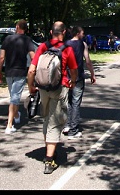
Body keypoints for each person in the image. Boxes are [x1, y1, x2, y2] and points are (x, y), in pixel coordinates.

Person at [27, 21, 79, 174]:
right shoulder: (67, 49)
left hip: (42, 88)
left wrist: (31, 86)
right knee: (55, 122)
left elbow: (31, 70)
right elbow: (74, 70)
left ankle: (50, 148)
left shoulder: (43, 47)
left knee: (47, 119)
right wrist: (73, 82)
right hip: (59, 87)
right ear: (64, 32)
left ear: (51, 32)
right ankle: (49, 160)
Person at [0, 19, 37, 134]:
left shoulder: (8, 39)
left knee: (14, 98)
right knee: (14, 97)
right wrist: (33, 70)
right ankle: (17, 114)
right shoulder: (28, 40)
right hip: (20, 71)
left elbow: (1, 57)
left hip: (9, 71)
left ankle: (9, 125)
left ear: (18, 26)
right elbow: (33, 57)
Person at [63, 26, 96, 139]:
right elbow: (88, 61)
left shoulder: (66, 44)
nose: (83, 34)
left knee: (69, 102)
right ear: (77, 33)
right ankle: (73, 130)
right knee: (76, 102)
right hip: (78, 76)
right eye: (82, 33)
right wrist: (92, 74)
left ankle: (67, 125)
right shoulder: (82, 45)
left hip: (67, 77)